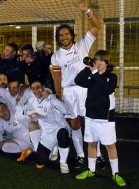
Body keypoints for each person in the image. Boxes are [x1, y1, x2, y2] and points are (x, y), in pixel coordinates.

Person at [51, 2, 101, 168]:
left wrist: (87, 11)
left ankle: (98, 155)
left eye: (66, 34)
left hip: (87, 89)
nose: (64, 37)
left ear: (72, 35)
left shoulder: (82, 45)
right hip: (70, 92)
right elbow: (57, 79)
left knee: (92, 122)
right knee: (75, 124)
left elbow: (96, 26)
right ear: (58, 38)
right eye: (61, 35)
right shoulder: (56, 57)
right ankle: (80, 155)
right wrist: (59, 97)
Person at [74, 50, 126, 187]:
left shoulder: (111, 77)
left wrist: (95, 73)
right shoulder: (92, 75)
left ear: (107, 63)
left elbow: (107, 90)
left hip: (105, 118)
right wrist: (88, 69)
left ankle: (115, 173)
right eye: (96, 60)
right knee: (91, 143)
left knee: (109, 145)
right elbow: (78, 80)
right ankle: (91, 170)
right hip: (91, 116)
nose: (98, 63)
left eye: (101, 60)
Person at [21, 80, 71, 173]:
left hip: (59, 128)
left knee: (63, 134)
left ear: (43, 87)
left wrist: (50, 96)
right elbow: (23, 111)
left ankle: (63, 162)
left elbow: (65, 110)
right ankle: (54, 146)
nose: (36, 90)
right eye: (33, 88)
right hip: (46, 134)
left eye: (38, 87)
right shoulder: (31, 101)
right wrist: (30, 113)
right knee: (40, 161)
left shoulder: (51, 98)